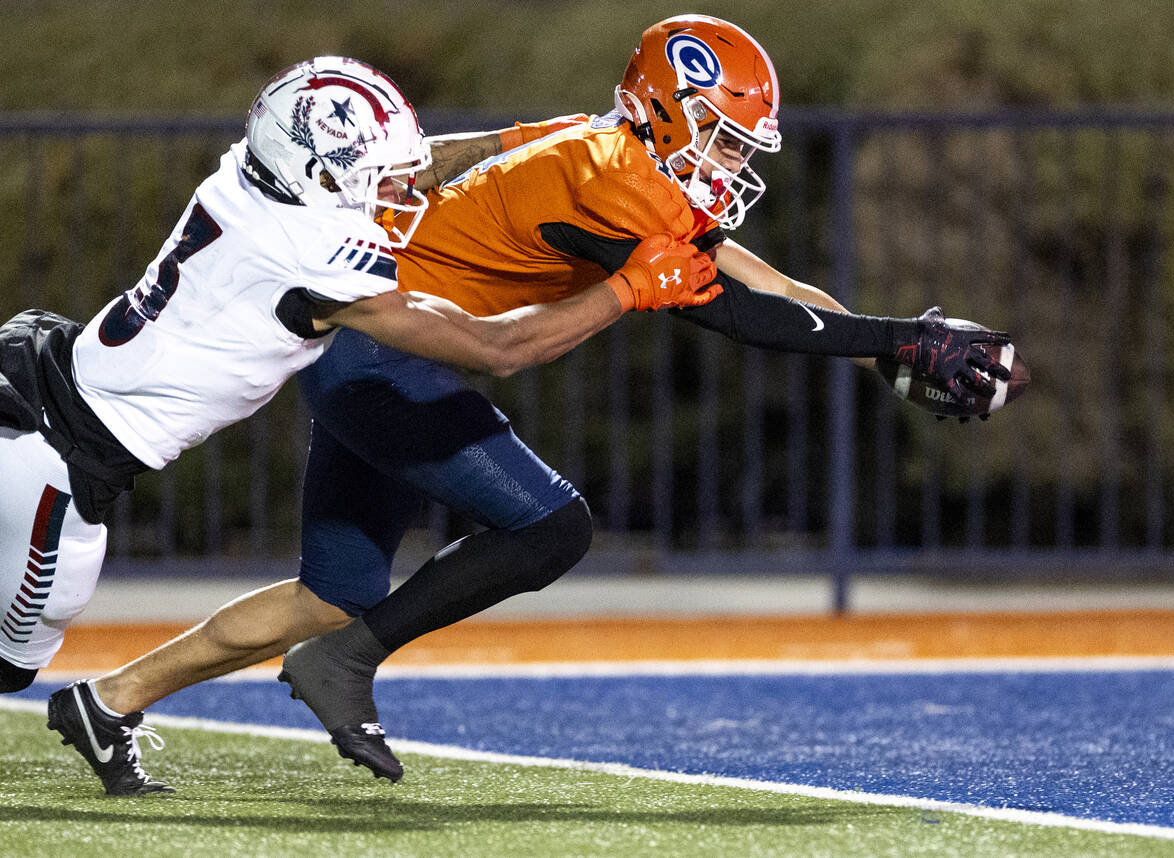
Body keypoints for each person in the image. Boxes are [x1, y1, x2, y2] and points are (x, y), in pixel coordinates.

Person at [50, 16, 1011, 792]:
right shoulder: (608, 187)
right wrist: (893, 341)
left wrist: (875, 340)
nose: (729, 156)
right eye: (719, 131)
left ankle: (110, 699)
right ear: (668, 111)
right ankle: (347, 662)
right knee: (552, 527)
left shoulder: (602, 144)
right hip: (390, 361)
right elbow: (736, 317)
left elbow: (734, 270)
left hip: (368, 359)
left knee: (329, 592)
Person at [0, 55, 718, 795]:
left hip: (54, 380)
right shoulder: (320, 259)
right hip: (56, 465)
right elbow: (498, 348)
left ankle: (108, 706)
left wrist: (523, 139)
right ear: (318, 176)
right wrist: (628, 289)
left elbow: (422, 167)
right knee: (10, 662)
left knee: (333, 594)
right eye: (376, 177)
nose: (399, 189)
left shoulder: (250, 173)